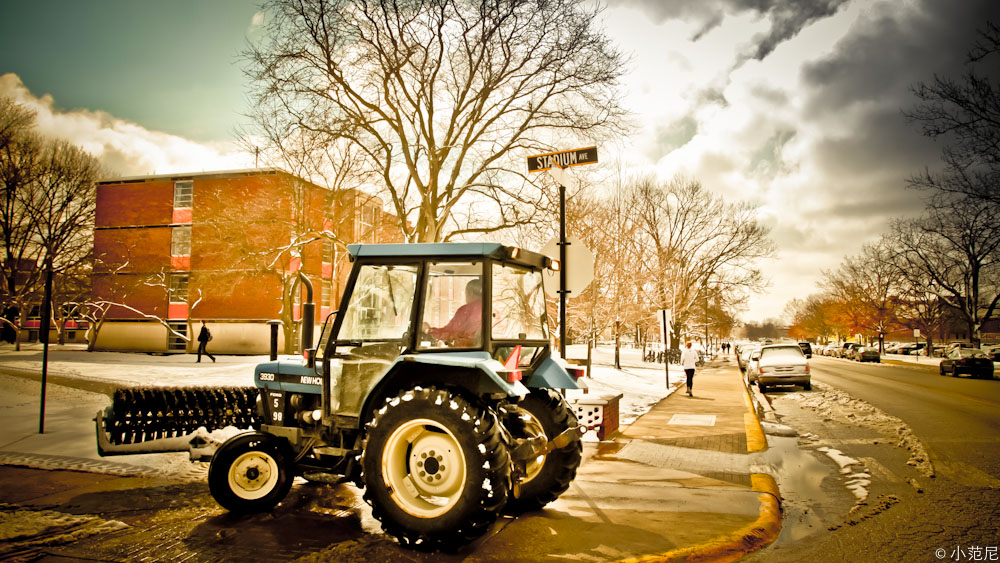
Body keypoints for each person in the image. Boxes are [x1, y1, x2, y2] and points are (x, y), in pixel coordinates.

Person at [423, 279, 482, 347]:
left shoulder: (466, 310)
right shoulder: (491, 310)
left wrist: (428, 330)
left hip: (465, 351)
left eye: (465, 294)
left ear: (470, 293)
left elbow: (450, 333)